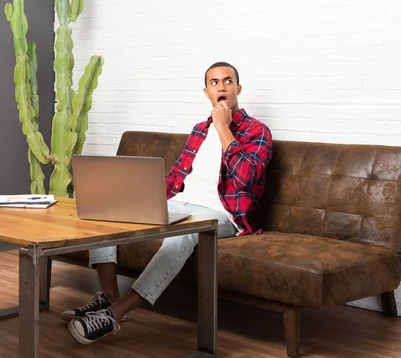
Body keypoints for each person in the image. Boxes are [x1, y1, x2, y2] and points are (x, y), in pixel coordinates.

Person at [63, 62, 273, 345]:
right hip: (180, 202)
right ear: (206, 91)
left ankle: (115, 314)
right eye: (214, 82)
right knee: (109, 212)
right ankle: (110, 298)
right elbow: (177, 175)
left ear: (238, 88)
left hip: (222, 213)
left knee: (181, 237)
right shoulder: (199, 130)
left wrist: (224, 129)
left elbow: (246, 178)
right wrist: (141, 199)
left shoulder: (257, 131)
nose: (221, 87)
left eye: (227, 81)